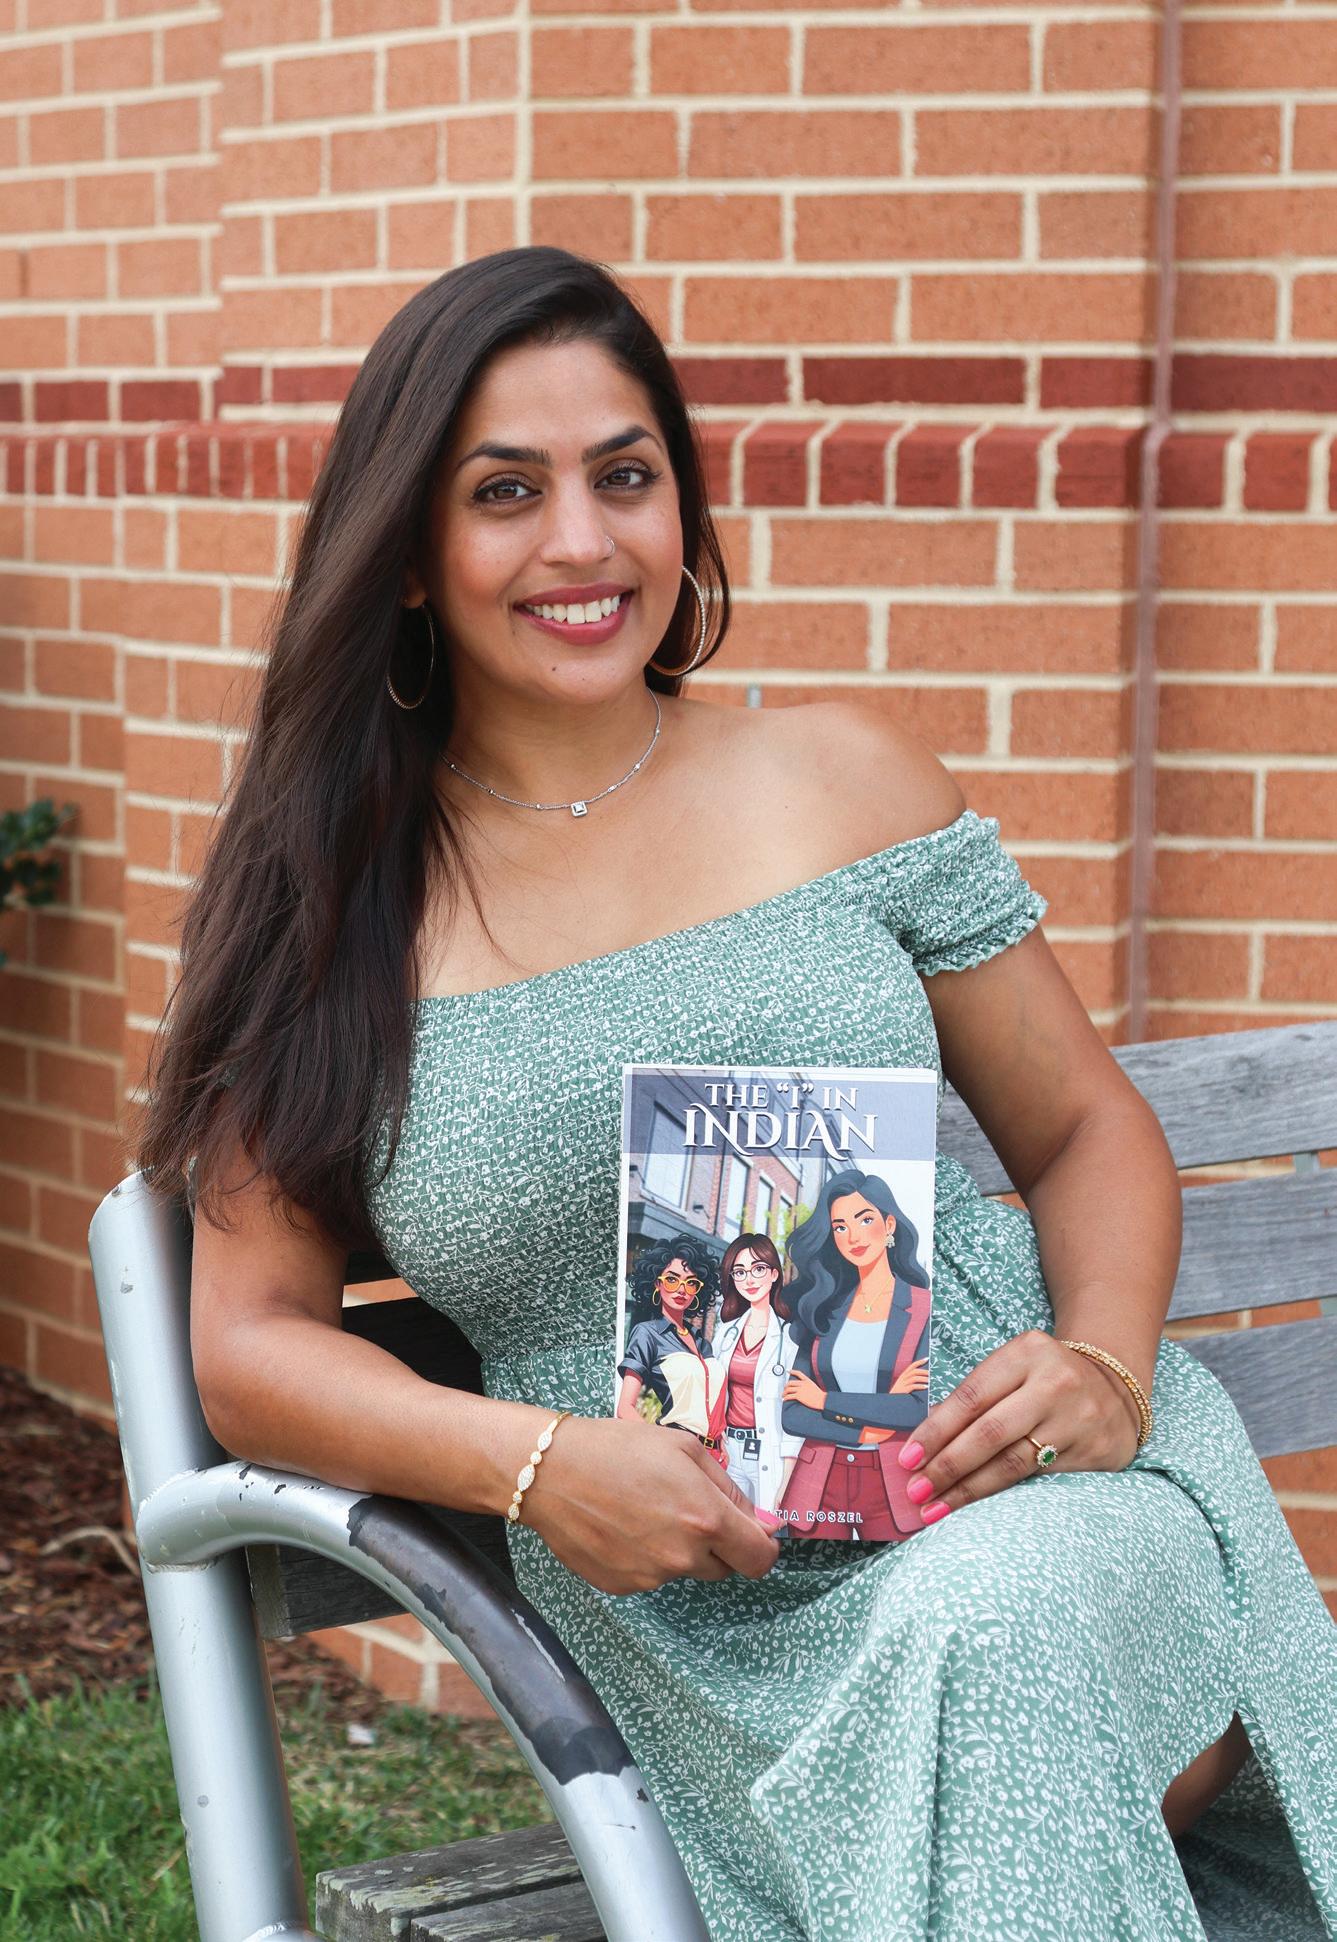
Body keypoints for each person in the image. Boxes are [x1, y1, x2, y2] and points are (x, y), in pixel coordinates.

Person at [141, 246, 1337, 1940]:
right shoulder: (330, 916)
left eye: (624, 477)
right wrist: (539, 1462)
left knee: (991, 1624)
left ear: (682, 511)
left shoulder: (842, 779)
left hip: (1035, 1513)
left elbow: (1080, 1128)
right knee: (975, 1714)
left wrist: (1101, 1362)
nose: (580, 540)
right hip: (702, 1627)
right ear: (405, 552)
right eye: (504, 491)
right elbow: (249, 1341)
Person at [776, 1171, 931, 1540]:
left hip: (893, 1483)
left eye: (865, 1220)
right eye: (840, 1227)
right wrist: (869, 1427)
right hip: (818, 1483)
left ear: (889, 1224)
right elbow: (793, 1413)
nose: (854, 1236)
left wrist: (824, 1400)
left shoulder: (922, 1308)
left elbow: (915, 1409)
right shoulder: (823, 1307)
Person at [710, 1233, 802, 1516]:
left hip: (768, 1451)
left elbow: (795, 1410)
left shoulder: (789, 1337)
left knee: (764, 1529)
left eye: (758, 1269)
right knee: (729, 1525)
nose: (749, 1279)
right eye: (740, 1272)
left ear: (774, 1274)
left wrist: (787, 1478)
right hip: (729, 1450)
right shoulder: (726, 1332)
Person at [616, 1236, 726, 1455]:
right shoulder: (647, 1334)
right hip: (679, 1452)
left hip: (716, 1455)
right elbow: (624, 1408)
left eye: (691, 1282)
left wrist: (721, 1442)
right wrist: (661, 1447)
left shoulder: (703, 1343)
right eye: (672, 1279)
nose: (681, 1289)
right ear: (657, 1283)